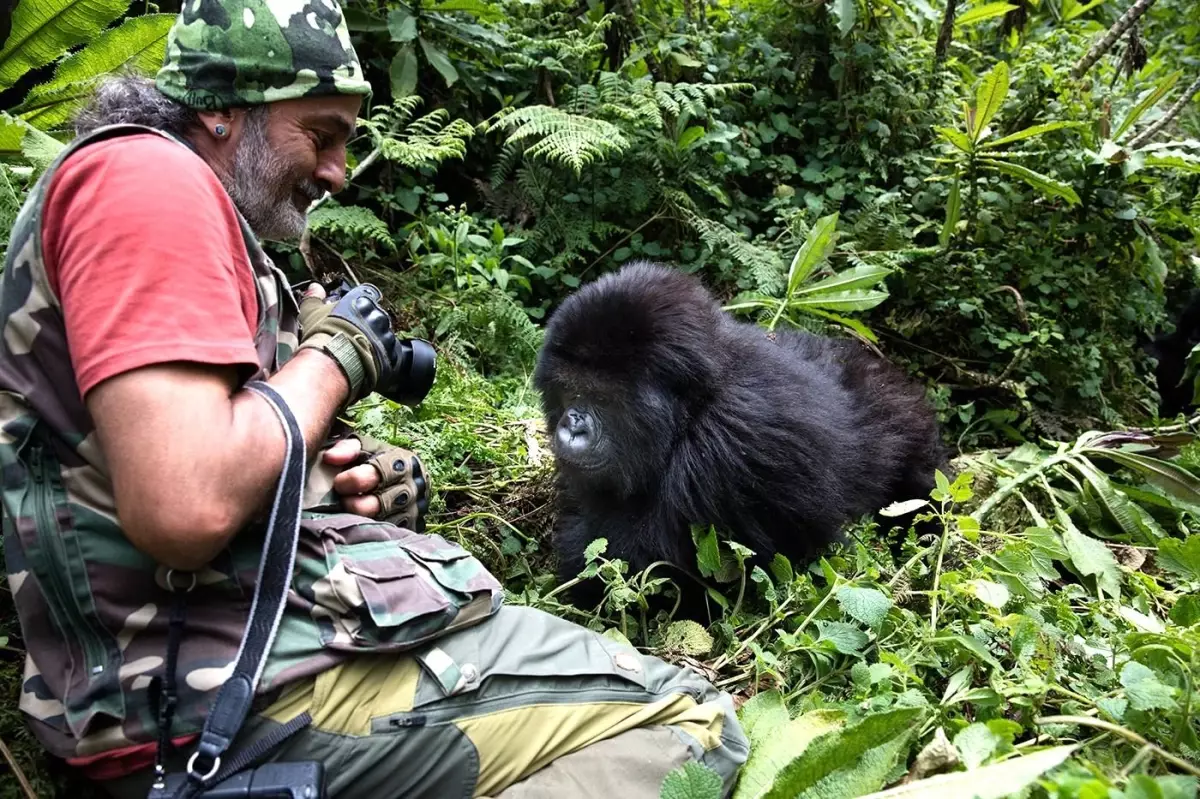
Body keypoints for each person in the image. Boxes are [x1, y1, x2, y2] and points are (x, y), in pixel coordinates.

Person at [0, 0, 749, 797]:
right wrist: (338, 354)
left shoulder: (180, 211)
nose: (335, 171)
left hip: (212, 674)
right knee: (687, 720)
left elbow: (137, 471)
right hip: (223, 705)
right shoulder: (147, 182)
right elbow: (184, 504)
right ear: (220, 106)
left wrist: (332, 487)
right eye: (319, 134)